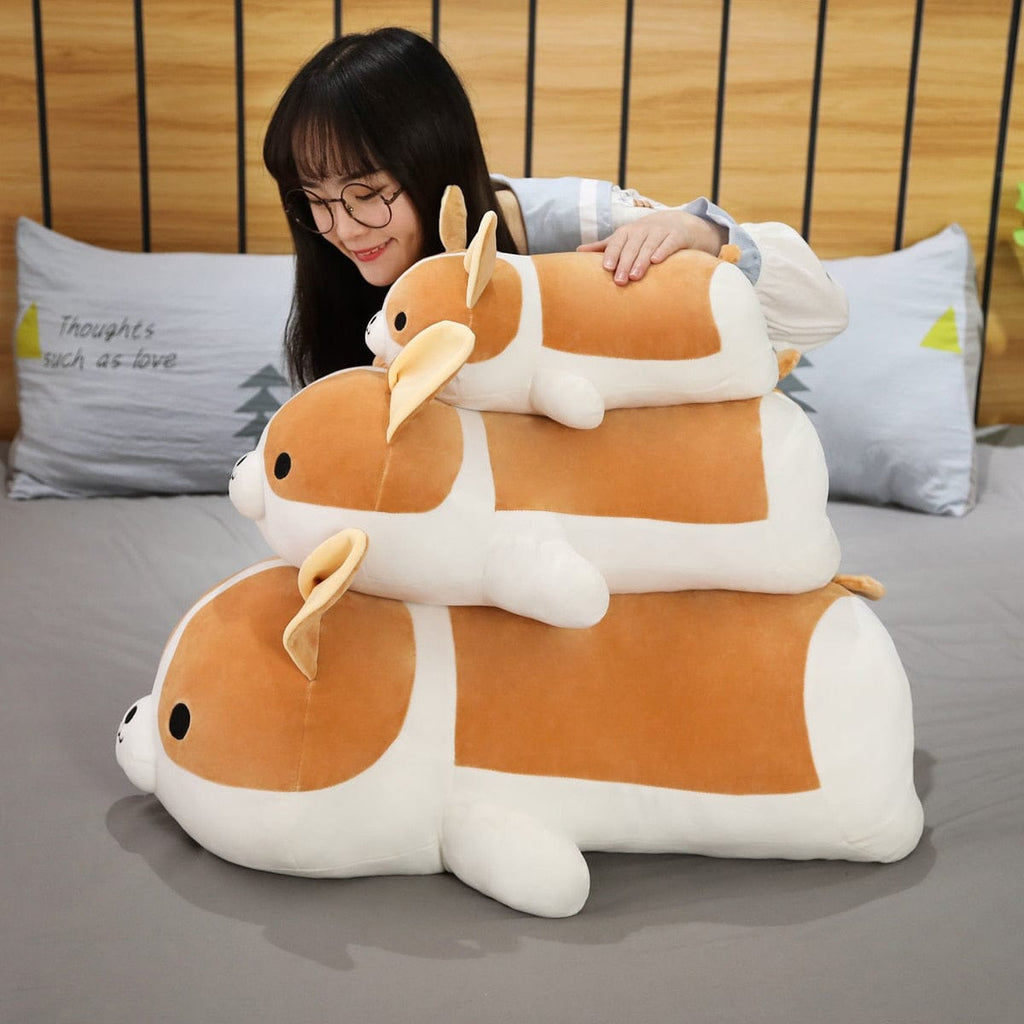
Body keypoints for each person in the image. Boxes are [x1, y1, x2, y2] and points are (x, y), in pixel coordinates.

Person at [264, 26, 847, 387]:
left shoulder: (579, 226)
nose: (343, 229)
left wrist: (702, 234)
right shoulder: (336, 268)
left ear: (433, 160)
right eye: (314, 199)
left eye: (367, 194)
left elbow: (823, 313)